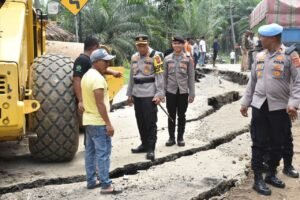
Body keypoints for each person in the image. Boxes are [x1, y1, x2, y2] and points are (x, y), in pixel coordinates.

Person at [240, 23, 300, 196]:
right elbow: (252, 82)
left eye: (262, 37)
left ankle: (271, 174)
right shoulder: (259, 56)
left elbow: (298, 81)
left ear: (272, 38)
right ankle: (258, 178)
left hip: (280, 106)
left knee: (278, 143)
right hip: (259, 105)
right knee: (258, 143)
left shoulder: (290, 55)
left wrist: (293, 103)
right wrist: (245, 102)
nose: (259, 40)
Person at [81, 48, 122, 195]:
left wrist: (112, 72)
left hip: (88, 120)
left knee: (90, 152)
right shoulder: (97, 79)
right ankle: (106, 184)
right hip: (98, 122)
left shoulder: (87, 76)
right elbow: (100, 104)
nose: (108, 63)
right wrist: (108, 124)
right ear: (96, 62)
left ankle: (91, 180)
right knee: (103, 153)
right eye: (105, 61)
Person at [126, 34, 164, 161]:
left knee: (150, 122)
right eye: (139, 46)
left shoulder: (156, 56)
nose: (141, 48)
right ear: (136, 45)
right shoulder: (134, 57)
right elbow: (131, 77)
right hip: (137, 94)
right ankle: (144, 144)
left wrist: (159, 94)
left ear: (148, 44)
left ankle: (151, 149)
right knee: (140, 121)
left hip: (149, 95)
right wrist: (129, 94)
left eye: (144, 45)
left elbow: (160, 77)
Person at [163, 36, 195, 147]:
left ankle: (180, 137)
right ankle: (171, 138)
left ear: (182, 45)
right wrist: (162, 93)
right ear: (172, 45)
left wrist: (192, 93)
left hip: (183, 91)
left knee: (182, 115)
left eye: (179, 43)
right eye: (174, 43)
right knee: (171, 115)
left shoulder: (188, 59)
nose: (176, 45)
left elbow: (191, 77)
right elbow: (164, 77)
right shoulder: (167, 59)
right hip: (170, 91)